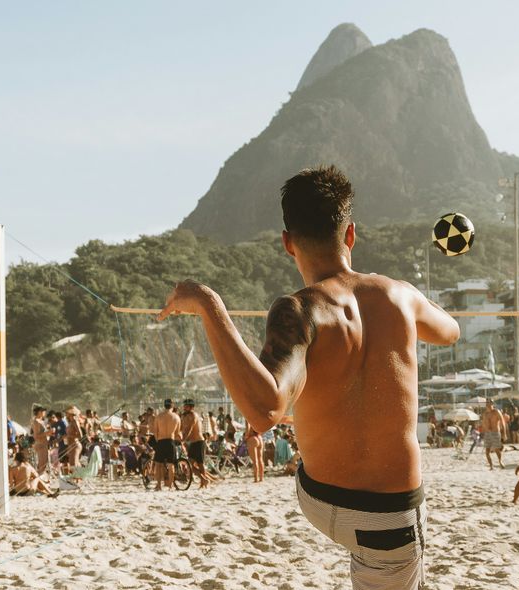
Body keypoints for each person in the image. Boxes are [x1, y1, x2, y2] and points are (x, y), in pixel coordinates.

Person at [158, 165, 459, 589]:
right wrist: (397, 305)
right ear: (351, 234)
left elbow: (267, 407)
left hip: (322, 499)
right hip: (389, 517)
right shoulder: (401, 296)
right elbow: (450, 332)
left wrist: (210, 305)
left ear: (287, 243)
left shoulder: (300, 310)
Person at [181, 399, 212, 488]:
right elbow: (183, 428)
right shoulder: (184, 416)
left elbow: (190, 428)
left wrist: (184, 439)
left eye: (186, 406)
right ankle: (204, 480)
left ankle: (203, 482)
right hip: (193, 443)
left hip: (199, 442)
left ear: (191, 407)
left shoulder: (194, 415)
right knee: (192, 464)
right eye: (184, 405)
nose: (184, 407)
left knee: (199, 464)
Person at [152, 399, 181, 491]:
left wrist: (158, 440)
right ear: (172, 406)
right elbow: (177, 433)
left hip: (161, 441)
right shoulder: (176, 417)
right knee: (171, 464)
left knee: (158, 464)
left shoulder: (159, 416)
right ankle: (170, 485)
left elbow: (155, 431)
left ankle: (159, 485)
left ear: (164, 406)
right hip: (170, 441)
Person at [481, 399, 506, 469]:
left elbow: (502, 422)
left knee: (497, 449)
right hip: (487, 433)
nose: (488, 404)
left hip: (495, 432)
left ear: (493, 403)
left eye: (490, 403)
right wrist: (484, 430)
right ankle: (491, 465)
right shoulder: (485, 414)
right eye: (487, 403)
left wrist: (504, 433)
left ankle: (500, 461)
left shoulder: (496, 412)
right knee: (487, 451)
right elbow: (483, 423)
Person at [31, 406, 54, 475]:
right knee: (42, 465)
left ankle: (41, 478)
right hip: (40, 444)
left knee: (45, 464)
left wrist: (49, 433)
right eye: (43, 411)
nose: (44, 413)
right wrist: (47, 433)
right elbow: (36, 436)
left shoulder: (41, 421)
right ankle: (39, 479)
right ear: (39, 412)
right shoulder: (36, 422)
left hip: (44, 444)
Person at [65, 406, 84, 474]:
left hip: (75, 444)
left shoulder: (75, 421)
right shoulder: (70, 422)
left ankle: (78, 478)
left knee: (74, 464)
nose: (65, 414)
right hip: (70, 445)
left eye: (66, 412)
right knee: (73, 463)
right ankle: (80, 477)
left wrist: (70, 436)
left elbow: (80, 435)